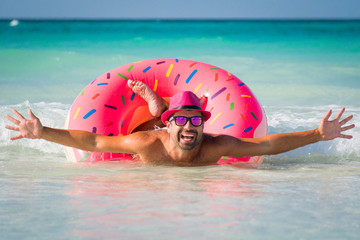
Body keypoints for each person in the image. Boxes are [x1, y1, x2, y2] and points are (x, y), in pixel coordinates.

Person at [5, 80, 355, 166]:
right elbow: (96, 142)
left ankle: (160, 107)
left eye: (195, 121)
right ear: (171, 126)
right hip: (147, 131)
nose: (190, 127)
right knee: (138, 132)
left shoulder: (217, 145)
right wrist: (43, 133)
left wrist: (316, 134)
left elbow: (266, 145)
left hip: (162, 125)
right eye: (182, 121)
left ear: (203, 125)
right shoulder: (148, 144)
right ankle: (154, 109)